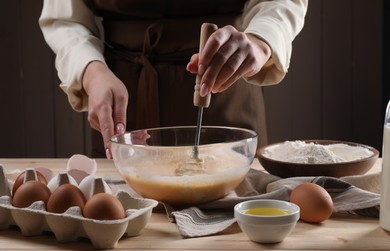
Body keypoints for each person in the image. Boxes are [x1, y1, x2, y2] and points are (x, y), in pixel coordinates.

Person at [39, 0, 308, 158]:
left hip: (228, 88)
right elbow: (65, 18)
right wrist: (91, 72)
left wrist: (261, 40)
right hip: (120, 97)